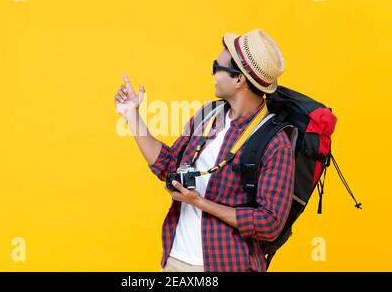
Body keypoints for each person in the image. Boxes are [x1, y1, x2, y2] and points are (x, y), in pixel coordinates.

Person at [114, 29, 295, 272]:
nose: (212, 73)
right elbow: (168, 167)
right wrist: (131, 116)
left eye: (217, 66)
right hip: (175, 260)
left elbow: (269, 223)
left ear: (239, 79)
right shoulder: (207, 115)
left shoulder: (274, 143)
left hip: (227, 266)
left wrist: (200, 203)